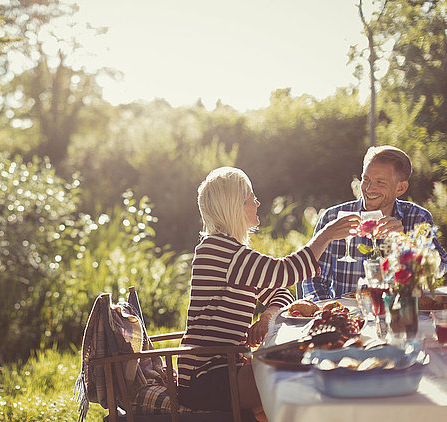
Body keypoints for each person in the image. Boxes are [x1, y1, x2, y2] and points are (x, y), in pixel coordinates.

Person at [176, 167, 358, 421]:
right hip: (206, 376)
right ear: (234, 205)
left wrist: (267, 316)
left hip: (226, 367)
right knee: (292, 380)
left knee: (284, 382)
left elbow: (280, 292)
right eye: (251, 197)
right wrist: (325, 235)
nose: (257, 202)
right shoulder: (218, 251)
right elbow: (285, 271)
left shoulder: (231, 252)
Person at [300, 145, 447, 300]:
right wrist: (330, 313)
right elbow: (312, 280)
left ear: (401, 188)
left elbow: (440, 268)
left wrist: (407, 243)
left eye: (380, 182)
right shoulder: (333, 217)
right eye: (366, 179)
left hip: (399, 315)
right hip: (348, 318)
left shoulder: (418, 217)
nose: (369, 189)